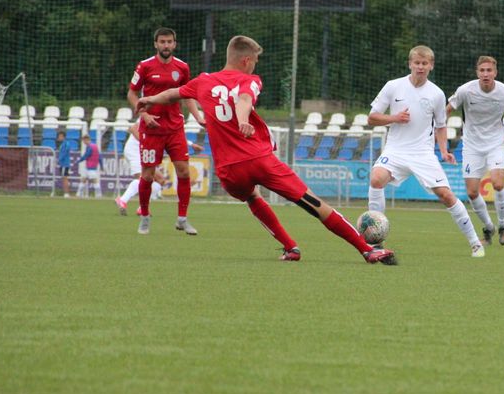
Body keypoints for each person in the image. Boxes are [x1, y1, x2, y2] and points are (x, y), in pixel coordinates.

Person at [136, 35, 395, 265]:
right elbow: (243, 99)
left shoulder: (203, 81)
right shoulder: (249, 80)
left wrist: (147, 99)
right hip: (258, 160)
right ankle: (367, 250)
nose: (256, 65)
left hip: (228, 171)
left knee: (252, 198)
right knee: (314, 203)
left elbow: (172, 94)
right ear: (247, 60)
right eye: (255, 61)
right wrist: (243, 120)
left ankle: (290, 247)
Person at [367, 45, 485, 258]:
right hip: (395, 149)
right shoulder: (393, 86)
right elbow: (372, 117)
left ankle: (475, 242)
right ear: (410, 64)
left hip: (422, 153)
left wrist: (443, 150)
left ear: (431, 66)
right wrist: (394, 118)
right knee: (376, 179)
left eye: (424, 64)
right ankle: (376, 241)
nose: (420, 67)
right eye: (417, 63)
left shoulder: (436, 94)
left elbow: (440, 125)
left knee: (446, 195)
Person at [127, 27, 206, 235]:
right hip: (151, 129)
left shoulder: (182, 67)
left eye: (169, 41)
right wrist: (143, 115)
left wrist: (197, 117)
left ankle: (182, 218)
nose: (166, 45)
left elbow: (187, 94)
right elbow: (132, 93)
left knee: (184, 171)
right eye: (162, 41)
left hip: (175, 128)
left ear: (174, 44)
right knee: (148, 175)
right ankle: (144, 216)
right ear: (156, 44)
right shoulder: (144, 66)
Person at [446, 55, 504, 246]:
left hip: (496, 143)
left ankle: (503, 226)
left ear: (495, 72)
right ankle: (488, 227)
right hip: (472, 146)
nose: (486, 74)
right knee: (471, 192)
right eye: (482, 70)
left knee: (497, 183)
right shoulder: (465, 90)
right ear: (477, 72)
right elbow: (447, 110)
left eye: (489, 70)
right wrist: (436, 132)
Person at [115, 120, 165, 215]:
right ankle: (123, 200)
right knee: (143, 178)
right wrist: (145, 142)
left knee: (160, 180)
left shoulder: (167, 119)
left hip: (145, 152)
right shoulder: (153, 114)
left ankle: (142, 208)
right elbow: (133, 128)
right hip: (135, 151)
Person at [75, 134, 102, 198]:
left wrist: (79, 161)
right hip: (90, 167)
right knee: (83, 179)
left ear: (86, 140)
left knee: (94, 180)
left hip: (91, 166)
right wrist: (101, 165)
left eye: (84, 140)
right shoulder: (95, 146)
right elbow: (100, 157)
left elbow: (86, 155)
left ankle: (98, 194)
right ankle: (79, 194)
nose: (83, 142)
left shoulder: (90, 147)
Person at [56, 131, 72, 198]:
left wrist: (59, 160)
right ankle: (66, 192)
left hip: (64, 164)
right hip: (63, 164)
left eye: (59, 136)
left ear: (63, 136)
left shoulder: (66, 144)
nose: (58, 138)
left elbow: (64, 152)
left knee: (64, 178)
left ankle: (66, 193)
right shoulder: (63, 144)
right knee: (65, 178)